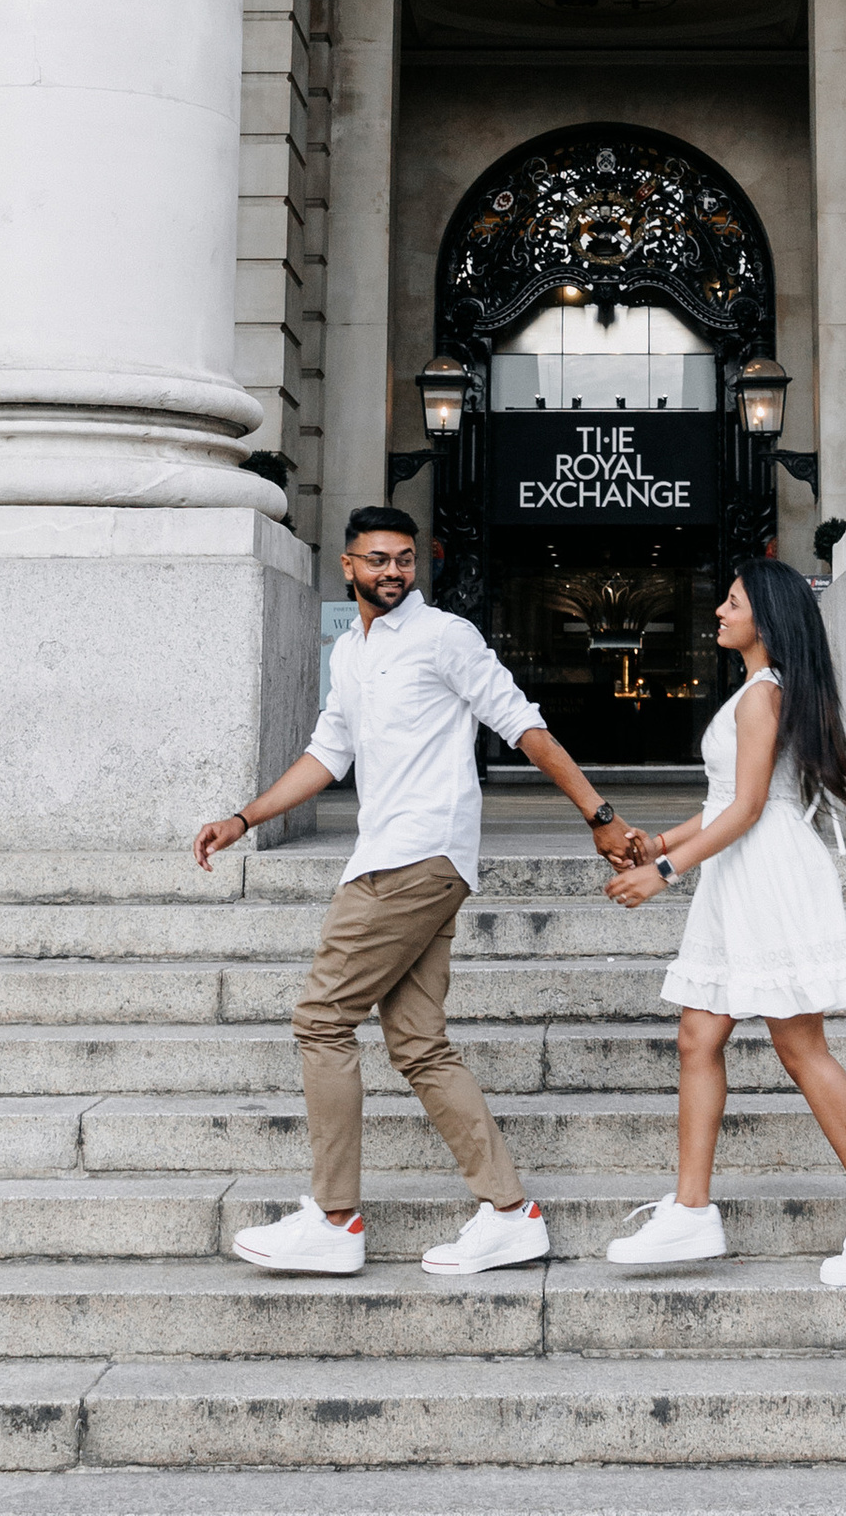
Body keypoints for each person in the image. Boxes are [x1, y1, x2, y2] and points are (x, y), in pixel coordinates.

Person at [194, 503, 643, 1277]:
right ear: (348, 567)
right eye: (377, 559)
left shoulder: (445, 637)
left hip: (417, 854)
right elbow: (327, 754)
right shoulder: (351, 652)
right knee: (418, 1043)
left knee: (322, 1019)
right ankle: (510, 1213)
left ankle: (335, 1219)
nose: (393, 571)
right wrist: (245, 817)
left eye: (404, 558)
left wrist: (598, 815)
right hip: (391, 852)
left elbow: (521, 723)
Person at [602, 554, 846, 1289]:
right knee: (700, 1031)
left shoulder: (763, 695)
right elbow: (732, 803)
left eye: (734, 602)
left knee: (799, 1043)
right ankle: (690, 1211)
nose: (719, 611)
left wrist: (663, 872)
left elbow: (750, 809)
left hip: (766, 870)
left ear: (768, 619)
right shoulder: (761, 691)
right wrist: (661, 842)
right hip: (741, 868)